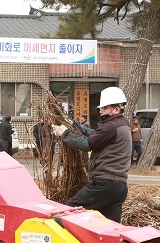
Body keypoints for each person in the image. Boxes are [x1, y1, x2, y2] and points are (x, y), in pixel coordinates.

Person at [52, 86, 131, 223]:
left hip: (104, 185)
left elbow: (87, 144)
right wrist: (75, 125)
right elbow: (96, 135)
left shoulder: (111, 126)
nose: (100, 111)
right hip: (119, 187)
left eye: (104, 108)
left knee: (67, 213)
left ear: (116, 109)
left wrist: (65, 134)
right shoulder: (122, 124)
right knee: (110, 227)